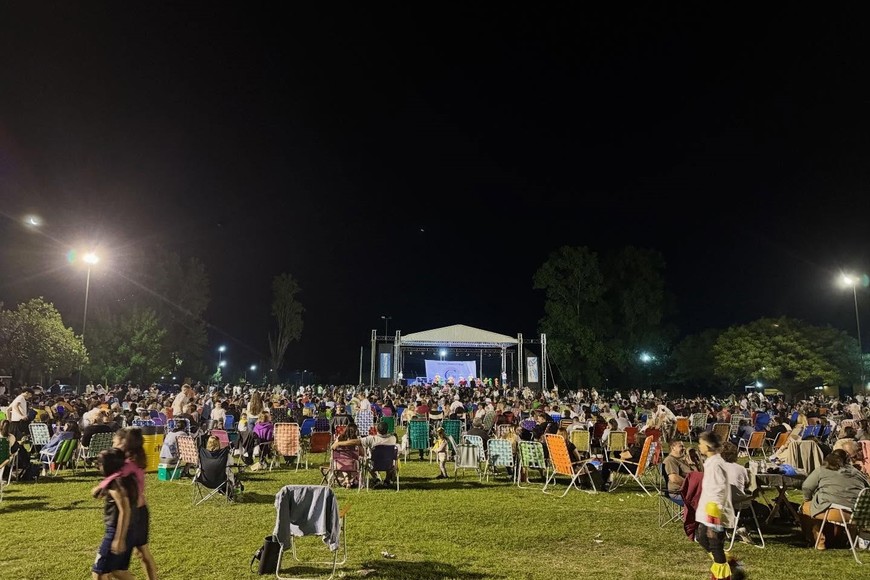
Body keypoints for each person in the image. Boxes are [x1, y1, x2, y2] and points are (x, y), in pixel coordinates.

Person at [94, 428, 157, 580]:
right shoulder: (135, 459)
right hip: (138, 511)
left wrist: (101, 486)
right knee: (139, 555)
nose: (113, 445)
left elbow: (115, 478)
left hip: (136, 513)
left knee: (119, 563)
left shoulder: (128, 464)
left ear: (123, 442)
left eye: (114, 442)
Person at [695, 431, 744, 580]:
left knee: (715, 544)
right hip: (708, 510)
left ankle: (723, 574)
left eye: (701, 443)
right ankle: (730, 563)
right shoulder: (712, 462)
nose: (699, 446)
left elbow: (718, 490)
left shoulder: (716, 464)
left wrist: (713, 521)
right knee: (702, 537)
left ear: (708, 446)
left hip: (714, 512)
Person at [799, 449, 869, 549]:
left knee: (806, 507)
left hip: (836, 513)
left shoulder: (822, 469)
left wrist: (807, 499)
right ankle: (844, 539)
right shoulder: (857, 473)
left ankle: (819, 540)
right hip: (858, 514)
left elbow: (807, 487)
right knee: (819, 506)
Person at [91, 448, 137, 580]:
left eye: (100, 463)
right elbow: (96, 493)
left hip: (117, 531)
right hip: (128, 530)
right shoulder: (122, 478)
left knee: (99, 573)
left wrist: (119, 539)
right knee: (118, 571)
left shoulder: (116, 484)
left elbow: (125, 510)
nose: (98, 466)